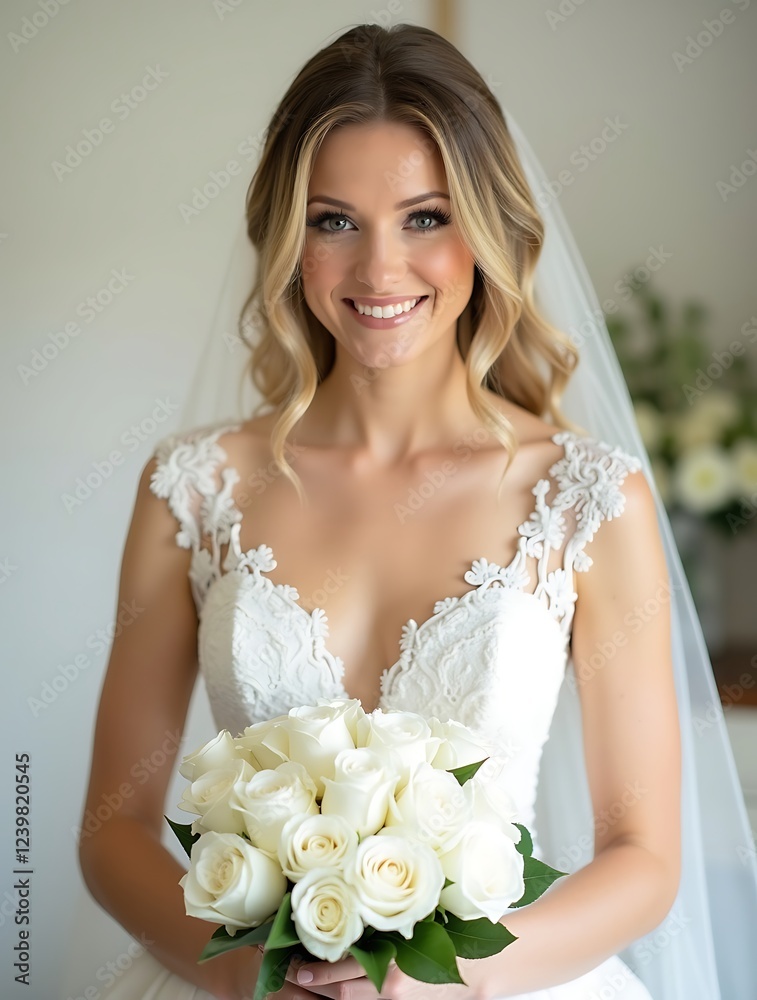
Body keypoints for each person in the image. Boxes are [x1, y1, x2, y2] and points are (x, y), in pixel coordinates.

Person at [75, 22, 757, 1000]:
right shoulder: (193, 488)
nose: (379, 270)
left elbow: (642, 856)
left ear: (486, 226)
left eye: (426, 217)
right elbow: (113, 826)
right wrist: (255, 981)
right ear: (286, 238)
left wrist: (441, 986)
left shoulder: (587, 499)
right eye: (333, 220)